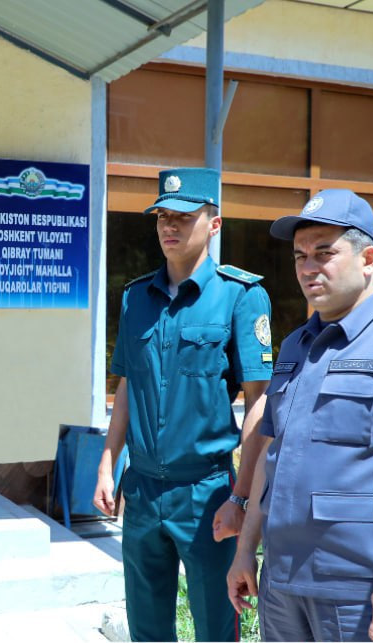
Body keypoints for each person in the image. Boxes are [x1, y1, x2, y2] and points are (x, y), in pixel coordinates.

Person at [226, 188, 373, 642]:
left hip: (360, 589)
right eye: (300, 256)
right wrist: (245, 551)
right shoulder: (296, 345)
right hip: (280, 583)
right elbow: (271, 457)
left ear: (367, 258)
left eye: (324, 253)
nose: (307, 267)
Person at [93, 167, 273, 641]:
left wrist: (241, 497)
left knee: (215, 624)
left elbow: (259, 402)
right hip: (142, 489)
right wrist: (107, 464)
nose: (169, 226)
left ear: (214, 224)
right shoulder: (136, 298)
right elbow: (128, 385)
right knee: (147, 626)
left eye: (183, 217)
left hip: (206, 492)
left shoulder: (240, 296)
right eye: (162, 217)